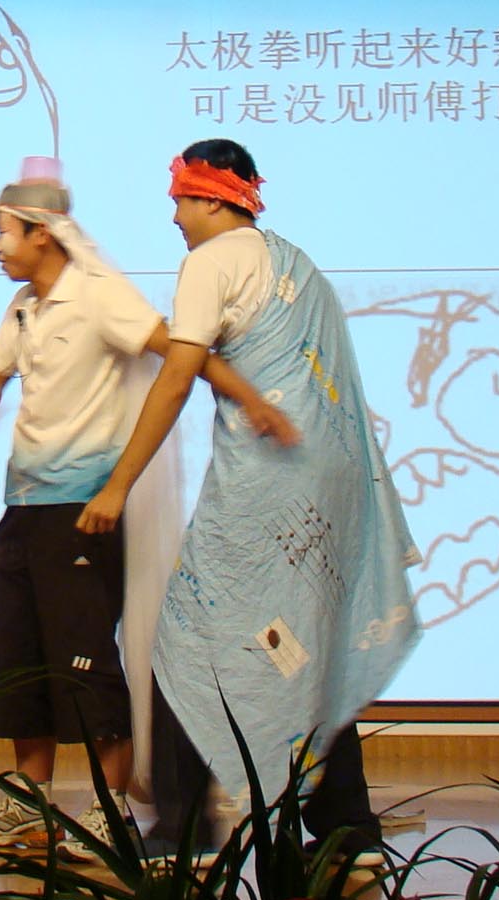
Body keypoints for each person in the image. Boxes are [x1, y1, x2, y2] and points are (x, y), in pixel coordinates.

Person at [81, 140, 423, 858]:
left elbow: (177, 377)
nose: (174, 215)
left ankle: (183, 826)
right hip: (329, 483)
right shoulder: (298, 264)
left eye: (180, 199)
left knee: (184, 637)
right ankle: (347, 826)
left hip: (271, 486)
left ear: (210, 198)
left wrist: (119, 483)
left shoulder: (211, 262)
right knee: (306, 647)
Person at [0, 158, 288, 854]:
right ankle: (29, 802)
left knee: (84, 663)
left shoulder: (99, 294)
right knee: (15, 658)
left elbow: (182, 352)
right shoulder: (22, 307)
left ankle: (108, 810)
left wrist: (251, 399)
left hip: (84, 510)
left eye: (5, 231)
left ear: (43, 233)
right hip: (23, 508)